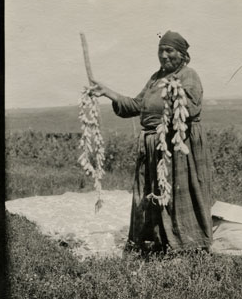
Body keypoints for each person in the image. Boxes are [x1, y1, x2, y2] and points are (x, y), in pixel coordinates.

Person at [90, 30, 213, 254]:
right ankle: (156, 242)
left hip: (176, 145)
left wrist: (174, 92)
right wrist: (108, 93)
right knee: (152, 194)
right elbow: (137, 106)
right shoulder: (156, 78)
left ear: (182, 54)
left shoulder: (188, 75)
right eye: (160, 51)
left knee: (177, 194)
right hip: (153, 145)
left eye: (169, 51)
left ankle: (187, 244)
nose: (164, 56)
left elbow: (191, 107)